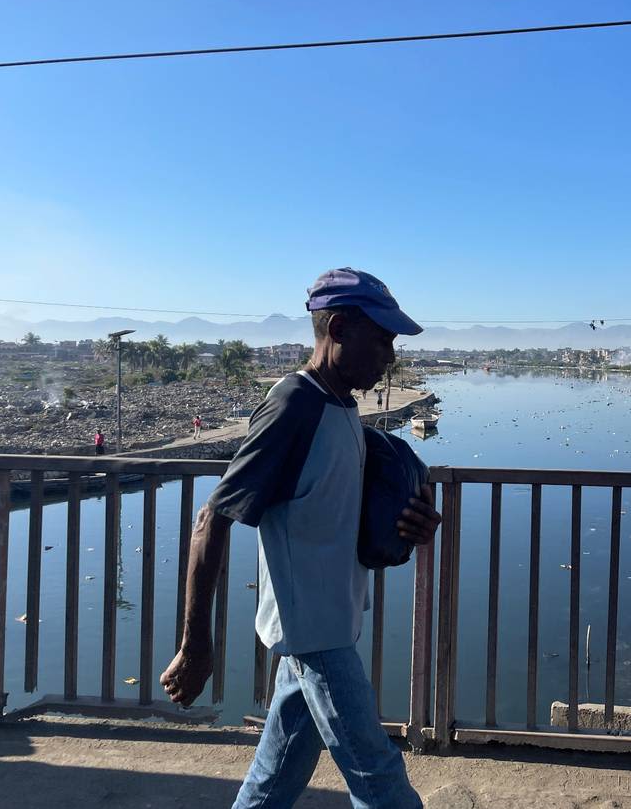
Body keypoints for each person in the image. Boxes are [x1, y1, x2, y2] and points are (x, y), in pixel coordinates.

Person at [160, 267, 439, 809]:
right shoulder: (295, 404)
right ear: (337, 328)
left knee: (275, 776)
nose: (390, 356)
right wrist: (197, 643)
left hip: (331, 618)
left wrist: (409, 523)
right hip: (316, 632)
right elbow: (212, 519)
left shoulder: (342, 407)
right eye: (381, 339)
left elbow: (335, 506)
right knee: (380, 779)